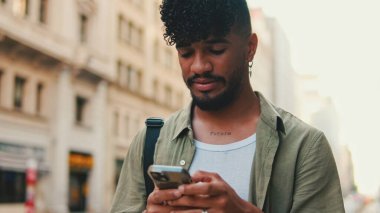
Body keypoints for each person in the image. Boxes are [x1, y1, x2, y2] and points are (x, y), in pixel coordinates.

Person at [111, 0, 345, 212]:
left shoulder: (305, 147)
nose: (199, 66)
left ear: (250, 47)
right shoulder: (150, 141)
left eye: (216, 50)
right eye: (186, 52)